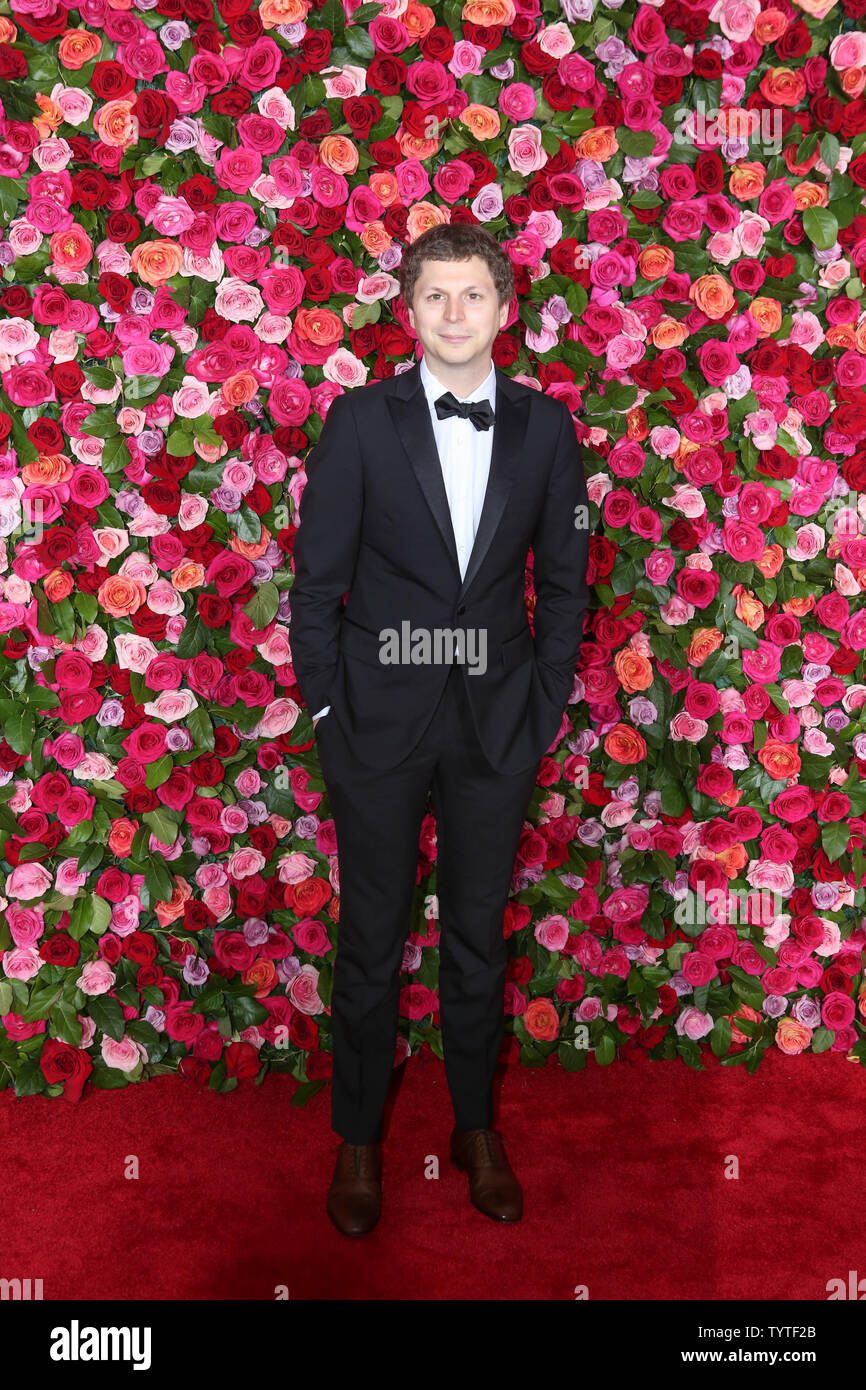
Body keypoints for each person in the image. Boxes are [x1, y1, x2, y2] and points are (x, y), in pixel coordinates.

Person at [288, 222, 591, 1236]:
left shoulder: (548, 431)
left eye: (472, 296)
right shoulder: (359, 423)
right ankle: (360, 1139)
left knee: (473, 936)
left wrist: (539, 708)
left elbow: (561, 586)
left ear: (505, 311)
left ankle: (473, 1128)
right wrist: (330, 713)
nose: (453, 315)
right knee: (369, 939)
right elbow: (316, 588)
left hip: (494, 729)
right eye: (434, 297)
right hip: (374, 727)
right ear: (407, 311)